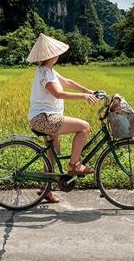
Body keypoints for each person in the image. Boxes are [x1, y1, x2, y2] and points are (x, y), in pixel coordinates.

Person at [26, 33, 99, 203]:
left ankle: (45, 190)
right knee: (84, 127)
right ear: (51, 55)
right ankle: (74, 165)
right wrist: (83, 97)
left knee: (53, 154)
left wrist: (88, 91)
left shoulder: (49, 70)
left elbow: (68, 82)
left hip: (45, 117)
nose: (58, 55)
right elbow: (58, 93)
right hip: (44, 119)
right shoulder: (45, 73)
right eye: (56, 52)